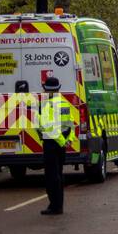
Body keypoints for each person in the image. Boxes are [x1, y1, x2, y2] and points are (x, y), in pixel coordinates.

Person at [39, 76, 76, 216]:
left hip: (51, 144)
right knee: (59, 175)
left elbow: (49, 128)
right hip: (62, 145)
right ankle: (58, 205)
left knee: (51, 176)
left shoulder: (46, 105)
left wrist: (60, 141)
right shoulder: (64, 103)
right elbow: (70, 124)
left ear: (47, 90)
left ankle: (55, 206)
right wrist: (68, 140)